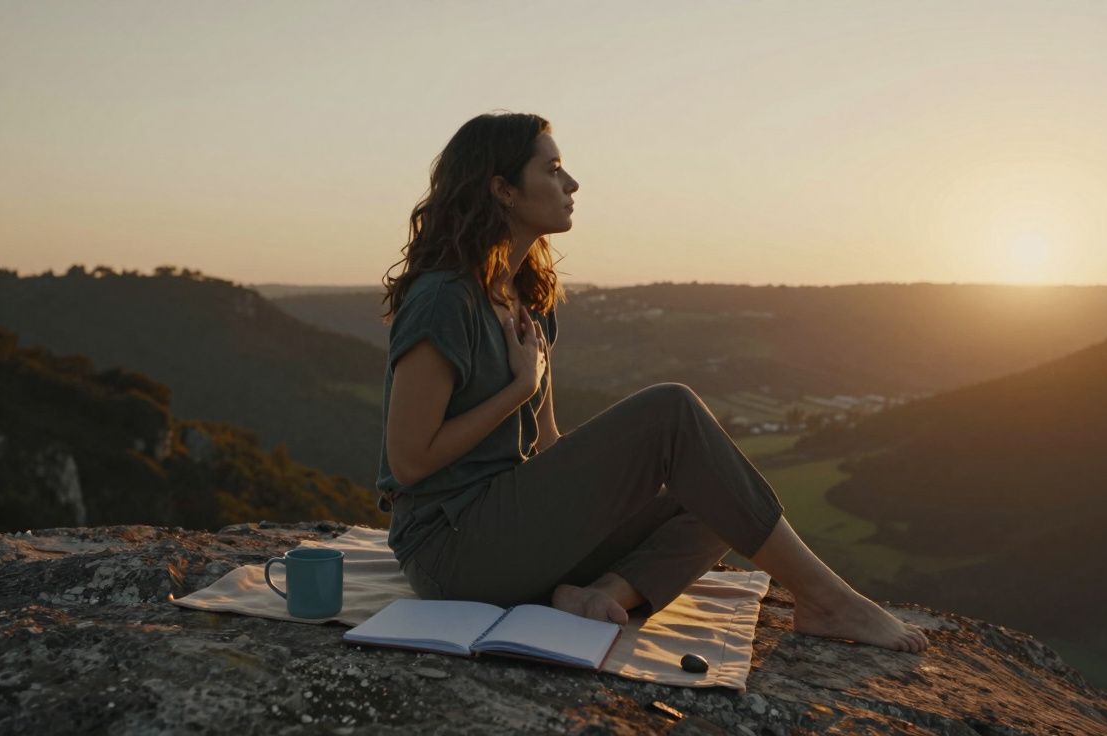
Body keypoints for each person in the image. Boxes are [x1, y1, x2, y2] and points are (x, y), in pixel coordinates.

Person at [376, 111, 929, 654]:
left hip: (512, 530)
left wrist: (623, 480)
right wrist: (518, 389)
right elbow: (410, 462)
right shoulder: (444, 299)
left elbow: (545, 446)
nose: (571, 183)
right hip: (451, 551)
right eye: (553, 170)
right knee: (671, 410)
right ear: (503, 190)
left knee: (719, 495)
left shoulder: (525, 298)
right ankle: (827, 599)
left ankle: (603, 594)